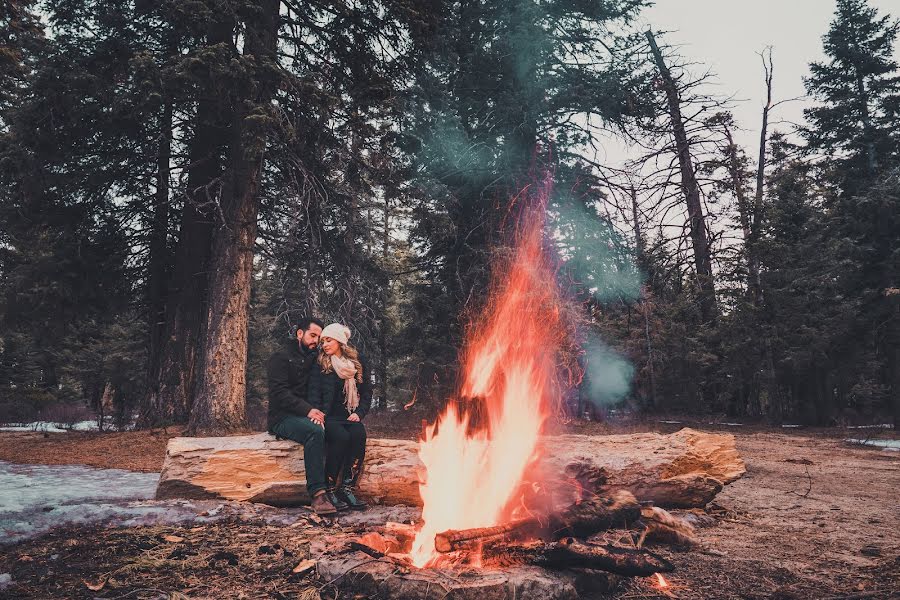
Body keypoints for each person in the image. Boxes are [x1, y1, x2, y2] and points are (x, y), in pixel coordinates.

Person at [267, 317, 338, 515]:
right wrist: (308, 411)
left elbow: (319, 387)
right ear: (300, 333)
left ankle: (338, 488)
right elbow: (279, 393)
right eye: (312, 335)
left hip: (306, 412)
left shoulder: (315, 358)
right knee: (314, 432)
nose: (316, 341)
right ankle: (318, 494)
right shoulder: (280, 357)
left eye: (319, 337)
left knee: (334, 430)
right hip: (282, 417)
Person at [308, 323, 371, 511]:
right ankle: (329, 488)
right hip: (329, 417)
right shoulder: (321, 364)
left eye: (328, 340)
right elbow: (314, 392)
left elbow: (367, 392)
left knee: (359, 435)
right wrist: (316, 413)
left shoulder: (355, 364)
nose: (324, 345)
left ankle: (346, 487)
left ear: (340, 341)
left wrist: (359, 414)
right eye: (322, 342)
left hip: (350, 416)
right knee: (341, 438)